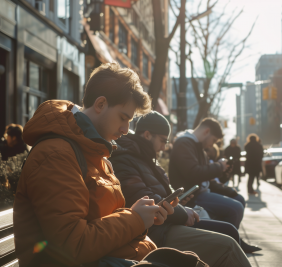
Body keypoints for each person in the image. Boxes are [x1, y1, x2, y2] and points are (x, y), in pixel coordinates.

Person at [13, 62, 176, 267]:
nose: (126, 129)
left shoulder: (95, 151)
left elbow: (104, 221)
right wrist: (134, 219)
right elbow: (73, 244)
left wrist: (142, 220)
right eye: (123, 118)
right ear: (100, 104)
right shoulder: (56, 153)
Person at [109, 111, 253, 266]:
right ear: (147, 135)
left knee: (230, 230)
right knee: (229, 245)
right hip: (157, 231)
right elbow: (145, 199)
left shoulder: (148, 159)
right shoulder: (126, 159)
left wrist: (178, 201)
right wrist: (183, 213)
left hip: (168, 221)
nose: (164, 147)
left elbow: (162, 193)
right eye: (163, 141)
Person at [169, 118, 247, 230]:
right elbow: (194, 173)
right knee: (236, 208)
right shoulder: (184, 143)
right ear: (206, 132)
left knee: (239, 199)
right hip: (192, 196)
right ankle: (229, 241)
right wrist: (219, 166)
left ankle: (233, 237)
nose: (212, 145)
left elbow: (206, 179)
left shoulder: (197, 146)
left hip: (200, 192)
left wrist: (223, 175)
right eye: (214, 140)